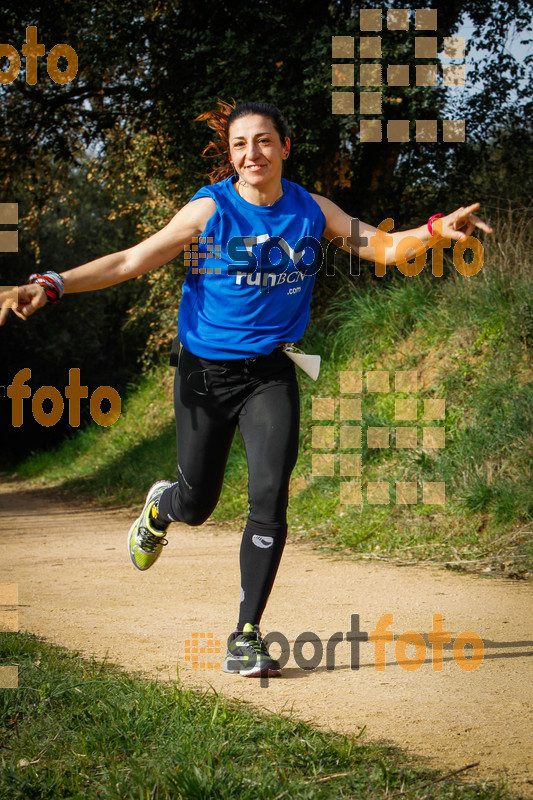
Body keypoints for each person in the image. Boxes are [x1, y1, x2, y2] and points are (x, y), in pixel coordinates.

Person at [0, 99, 492, 678]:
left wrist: (436, 231)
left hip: (270, 374)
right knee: (198, 504)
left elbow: (382, 247)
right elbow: (132, 259)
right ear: (229, 156)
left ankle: (247, 633)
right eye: (239, 144)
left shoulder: (311, 209)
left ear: (285, 147)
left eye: (263, 141)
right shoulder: (211, 209)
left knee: (269, 494)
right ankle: (163, 506)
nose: (251, 153)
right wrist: (50, 284)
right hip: (205, 376)